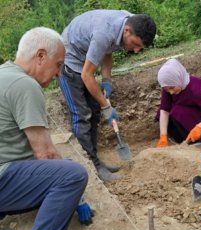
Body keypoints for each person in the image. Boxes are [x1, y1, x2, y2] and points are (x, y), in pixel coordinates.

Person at [0, 27, 92, 230]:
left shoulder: (4, 74)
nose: (59, 74)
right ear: (40, 56)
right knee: (72, 174)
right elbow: (45, 154)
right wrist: (77, 196)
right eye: (58, 64)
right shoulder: (24, 85)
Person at [58, 10, 157, 181]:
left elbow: (107, 51)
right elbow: (86, 75)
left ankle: (95, 161)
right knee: (82, 115)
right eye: (135, 44)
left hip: (85, 59)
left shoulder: (131, 22)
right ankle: (89, 167)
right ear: (127, 31)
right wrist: (106, 106)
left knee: (94, 111)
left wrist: (106, 80)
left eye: (140, 47)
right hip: (68, 60)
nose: (135, 51)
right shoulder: (105, 33)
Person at [156, 58, 201, 148]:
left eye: (172, 88)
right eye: (167, 89)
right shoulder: (168, 86)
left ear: (178, 78)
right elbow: (164, 110)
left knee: (177, 111)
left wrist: (199, 128)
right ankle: (183, 138)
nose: (171, 92)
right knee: (162, 113)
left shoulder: (196, 88)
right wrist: (163, 136)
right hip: (190, 112)